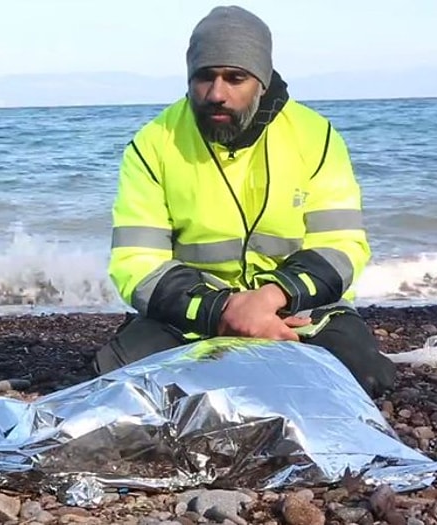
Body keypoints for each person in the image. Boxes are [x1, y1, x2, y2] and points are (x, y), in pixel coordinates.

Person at [92, 5, 396, 398]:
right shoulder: (152, 144)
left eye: (235, 78)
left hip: (302, 311)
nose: (217, 94)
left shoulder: (316, 136)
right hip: (194, 315)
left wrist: (268, 300)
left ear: (263, 81)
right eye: (204, 77)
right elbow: (136, 264)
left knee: (365, 378)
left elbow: (342, 248)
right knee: (116, 382)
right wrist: (223, 311)